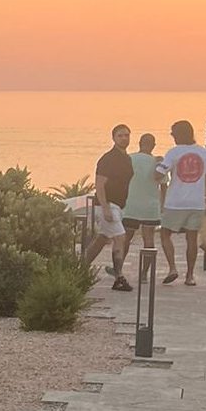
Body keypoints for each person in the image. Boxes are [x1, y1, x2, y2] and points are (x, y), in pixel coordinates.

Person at [156, 120, 206, 286]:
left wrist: (156, 164)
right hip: (196, 203)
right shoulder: (203, 152)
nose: (172, 136)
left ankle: (172, 268)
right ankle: (190, 276)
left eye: (173, 133)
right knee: (191, 239)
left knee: (165, 234)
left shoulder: (173, 152)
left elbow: (158, 174)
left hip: (175, 202)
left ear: (179, 134)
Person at [83, 124, 135, 290]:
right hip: (107, 205)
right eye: (120, 135)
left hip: (118, 206)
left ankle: (79, 268)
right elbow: (99, 184)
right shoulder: (108, 159)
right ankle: (119, 277)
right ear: (113, 138)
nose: (124, 138)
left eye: (126, 135)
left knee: (101, 239)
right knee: (120, 237)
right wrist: (105, 207)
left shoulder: (127, 159)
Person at [122, 132, 173, 281]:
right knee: (149, 240)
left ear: (139, 143)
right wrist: (163, 206)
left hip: (131, 205)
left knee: (126, 238)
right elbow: (164, 187)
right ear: (153, 146)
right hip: (150, 207)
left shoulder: (129, 159)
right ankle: (144, 274)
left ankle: (118, 269)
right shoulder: (158, 164)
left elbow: (121, 181)